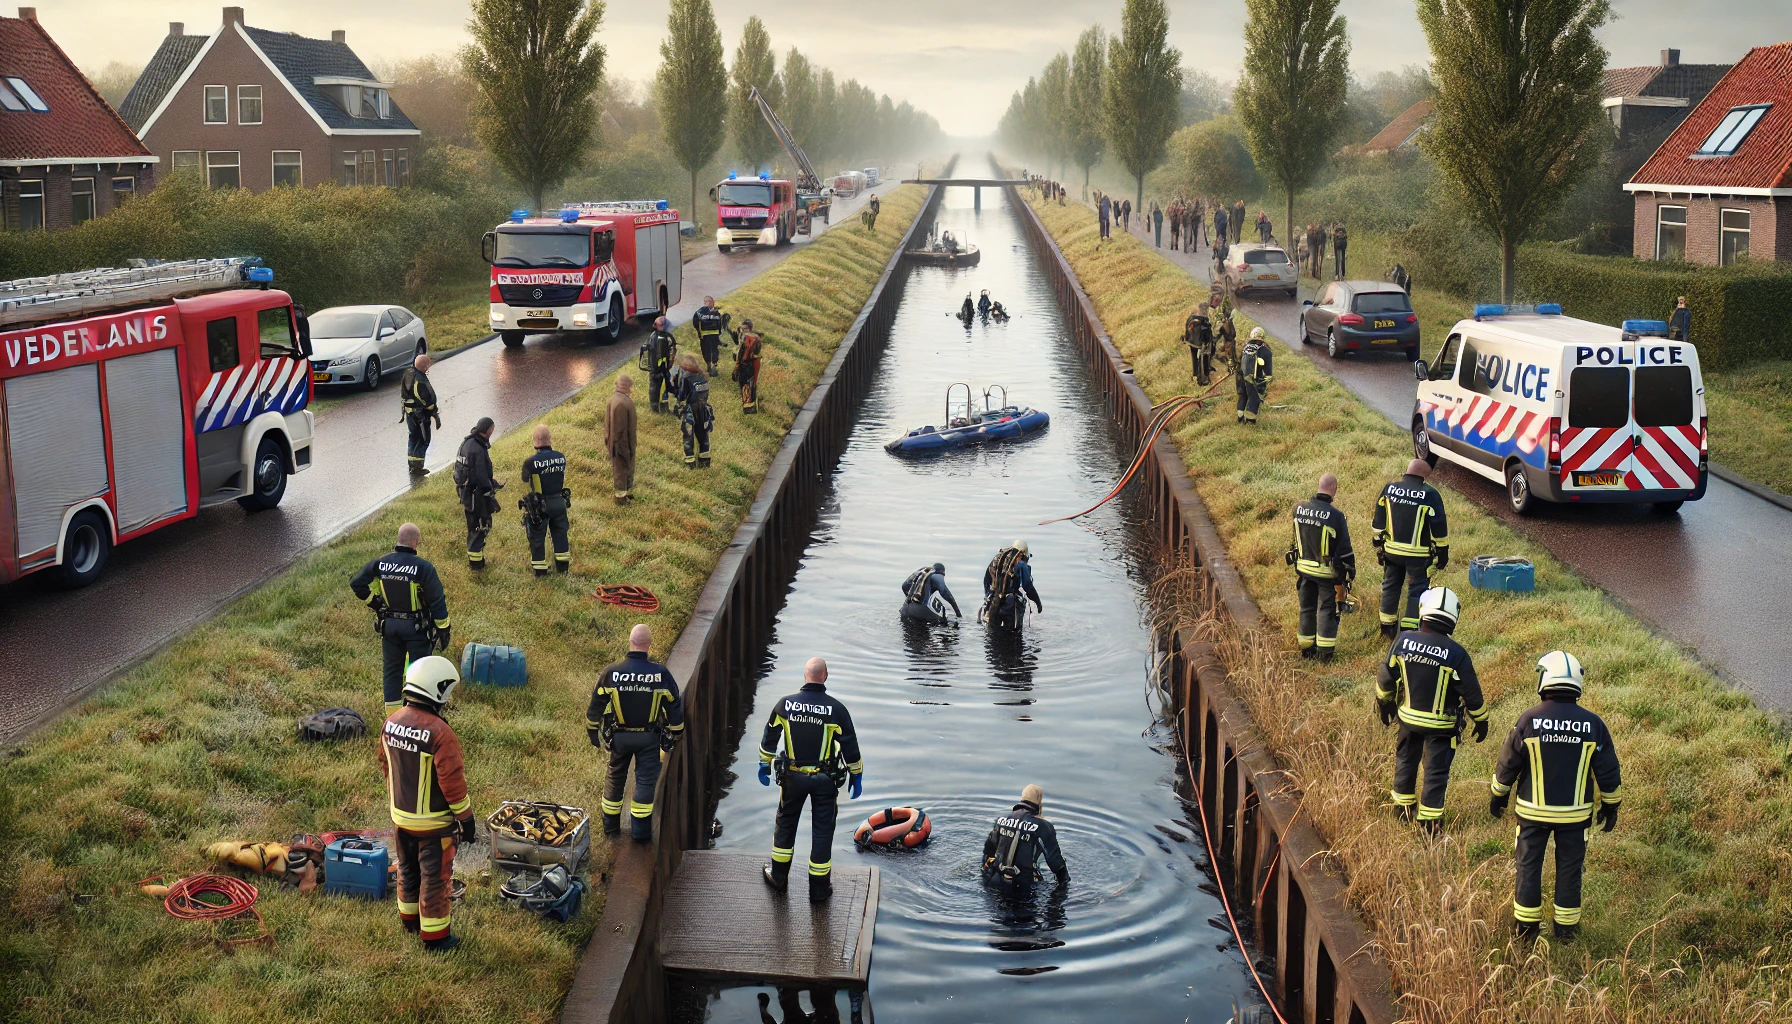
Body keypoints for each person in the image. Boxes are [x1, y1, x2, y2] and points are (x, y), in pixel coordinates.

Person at [1490, 651, 1621, 942]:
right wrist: (1611, 805)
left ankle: (1526, 932)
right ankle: (1566, 931)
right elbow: (1608, 770)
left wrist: (1498, 795)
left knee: (1528, 867)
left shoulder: (1529, 719)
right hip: (1575, 817)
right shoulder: (1593, 725)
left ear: (1545, 680)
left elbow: (1508, 763)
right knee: (1570, 870)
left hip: (1532, 814)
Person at [379, 655, 476, 952]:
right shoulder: (440, 733)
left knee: (407, 870)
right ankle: (436, 938)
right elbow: (452, 784)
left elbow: (385, 765)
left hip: (400, 819)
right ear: (437, 690)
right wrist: (467, 819)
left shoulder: (391, 723)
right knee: (435, 880)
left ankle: (409, 921)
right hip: (434, 826)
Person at [1376, 588, 1487, 836]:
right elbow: (1471, 693)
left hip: (1408, 719)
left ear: (1423, 613)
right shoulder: (1457, 653)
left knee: (1406, 762)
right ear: (1452, 619)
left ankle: (1402, 809)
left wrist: (1385, 703)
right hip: (1441, 726)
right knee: (1436, 772)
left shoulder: (1403, 640)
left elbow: (1387, 675)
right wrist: (1481, 720)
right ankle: (1429, 823)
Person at [758, 656, 864, 903]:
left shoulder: (785, 705)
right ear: (825, 677)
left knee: (786, 824)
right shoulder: (836, 709)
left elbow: (770, 735)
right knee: (823, 830)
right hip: (825, 780)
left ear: (804, 676)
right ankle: (818, 889)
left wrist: (764, 765)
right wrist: (856, 774)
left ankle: (779, 878)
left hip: (792, 778)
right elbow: (849, 744)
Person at [586, 623, 685, 841]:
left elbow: (596, 704)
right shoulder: (660, 674)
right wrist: (677, 732)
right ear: (649, 645)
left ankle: (611, 830)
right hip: (649, 739)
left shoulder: (611, 673)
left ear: (630, 642)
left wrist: (592, 730)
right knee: (645, 782)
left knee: (615, 778)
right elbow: (674, 706)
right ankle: (640, 835)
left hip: (619, 738)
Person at [351, 523, 451, 709]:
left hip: (389, 628)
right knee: (418, 672)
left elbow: (357, 584)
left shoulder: (380, 563)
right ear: (415, 542)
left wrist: (375, 603)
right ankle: (415, 714)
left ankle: (392, 718)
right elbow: (437, 600)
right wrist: (444, 629)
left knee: (392, 672)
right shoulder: (423, 568)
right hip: (416, 630)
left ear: (399, 540)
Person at [1372, 459, 1449, 639]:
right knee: (1417, 589)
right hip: (1418, 555)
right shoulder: (1430, 494)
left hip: (1391, 551)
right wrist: (1442, 551)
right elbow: (1438, 525)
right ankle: (1410, 631)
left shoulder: (1389, 488)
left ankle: (1387, 628)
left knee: (1390, 585)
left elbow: (1378, 519)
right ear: (1424, 476)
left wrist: (1378, 541)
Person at [1289, 473, 1355, 659]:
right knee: (1327, 608)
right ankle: (1325, 653)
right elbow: (1344, 548)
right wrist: (1350, 569)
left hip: (1303, 569)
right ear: (1333, 489)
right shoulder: (1336, 516)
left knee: (1307, 607)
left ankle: (1306, 648)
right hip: (1326, 573)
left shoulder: (1299, 509)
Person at [981, 784, 1069, 896]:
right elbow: (1056, 863)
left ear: (1022, 799)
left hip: (995, 882)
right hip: (1022, 889)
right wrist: (1065, 885)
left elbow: (988, 851)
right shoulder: (1043, 826)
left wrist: (984, 874)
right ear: (1039, 801)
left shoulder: (1001, 820)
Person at [519, 424, 571, 576]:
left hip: (540, 506)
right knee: (560, 534)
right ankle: (563, 568)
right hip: (559, 502)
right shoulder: (561, 457)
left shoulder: (530, 462)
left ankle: (540, 571)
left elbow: (524, 478)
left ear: (535, 441)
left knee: (537, 537)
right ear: (550, 439)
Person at [453, 417, 501, 570]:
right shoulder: (478, 449)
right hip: (476, 496)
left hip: (466, 493)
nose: (492, 432)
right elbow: (480, 475)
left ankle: (476, 558)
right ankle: (476, 564)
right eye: (492, 430)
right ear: (488, 430)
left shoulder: (467, 443)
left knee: (473, 525)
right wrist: (489, 491)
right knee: (480, 526)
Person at [981, 539, 1042, 628]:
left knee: (992, 636)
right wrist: (1038, 603)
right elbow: (1028, 587)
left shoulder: (997, 558)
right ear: (1022, 553)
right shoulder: (1021, 564)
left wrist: (988, 596)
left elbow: (986, 580)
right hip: (1010, 606)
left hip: (994, 603)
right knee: (1012, 637)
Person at [399, 353, 441, 475]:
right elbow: (427, 399)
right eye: (428, 365)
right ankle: (417, 468)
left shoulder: (408, 373)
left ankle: (411, 464)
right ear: (424, 366)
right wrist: (433, 412)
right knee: (423, 439)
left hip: (409, 413)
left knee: (413, 437)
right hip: (420, 416)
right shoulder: (420, 380)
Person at [671, 353, 714, 469]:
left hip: (691, 410)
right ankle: (705, 462)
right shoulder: (703, 377)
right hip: (704, 410)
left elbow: (681, 396)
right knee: (703, 436)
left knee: (688, 437)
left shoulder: (686, 378)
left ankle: (690, 463)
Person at [605, 376, 637, 504]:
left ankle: (625, 492)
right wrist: (625, 449)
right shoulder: (621, 403)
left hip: (622, 444)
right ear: (628, 387)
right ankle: (620, 499)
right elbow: (619, 431)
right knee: (620, 470)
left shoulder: (617, 399)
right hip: (621, 446)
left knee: (625, 469)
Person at [1236, 327, 1272, 424]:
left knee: (1243, 395)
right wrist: (1268, 377)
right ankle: (1250, 420)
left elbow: (1239, 361)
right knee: (1254, 397)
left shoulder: (1245, 346)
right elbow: (1267, 367)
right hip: (1252, 375)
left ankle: (1240, 417)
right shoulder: (1264, 347)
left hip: (1241, 374)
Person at [646, 317, 677, 414]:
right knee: (657, 388)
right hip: (659, 368)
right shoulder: (661, 337)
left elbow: (672, 351)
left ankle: (659, 408)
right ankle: (657, 408)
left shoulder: (654, 336)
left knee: (660, 388)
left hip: (660, 368)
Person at [732, 317, 763, 414]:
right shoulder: (757, 337)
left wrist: (736, 369)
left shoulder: (746, 337)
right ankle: (754, 405)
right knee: (752, 384)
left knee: (745, 384)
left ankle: (748, 408)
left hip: (746, 364)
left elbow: (742, 354)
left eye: (743, 328)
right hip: (756, 363)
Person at [1184, 303, 1216, 386]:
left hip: (1191, 342)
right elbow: (1206, 331)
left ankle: (1195, 375)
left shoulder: (1191, 318)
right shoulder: (1203, 321)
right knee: (1203, 360)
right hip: (1200, 343)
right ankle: (1203, 379)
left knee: (1195, 359)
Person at [693, 296, 726, 376]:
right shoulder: (716, 313)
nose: (713, 304)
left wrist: (699, 333)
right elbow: (719, 324)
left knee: (707, 351)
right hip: (713, 336)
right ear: (710, 302)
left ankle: (710, 367)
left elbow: (695, 323)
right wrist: (719, 334)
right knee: (714, 350)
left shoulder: (699, 312)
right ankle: (713, 366)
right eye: (713, 302)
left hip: (705, 336)